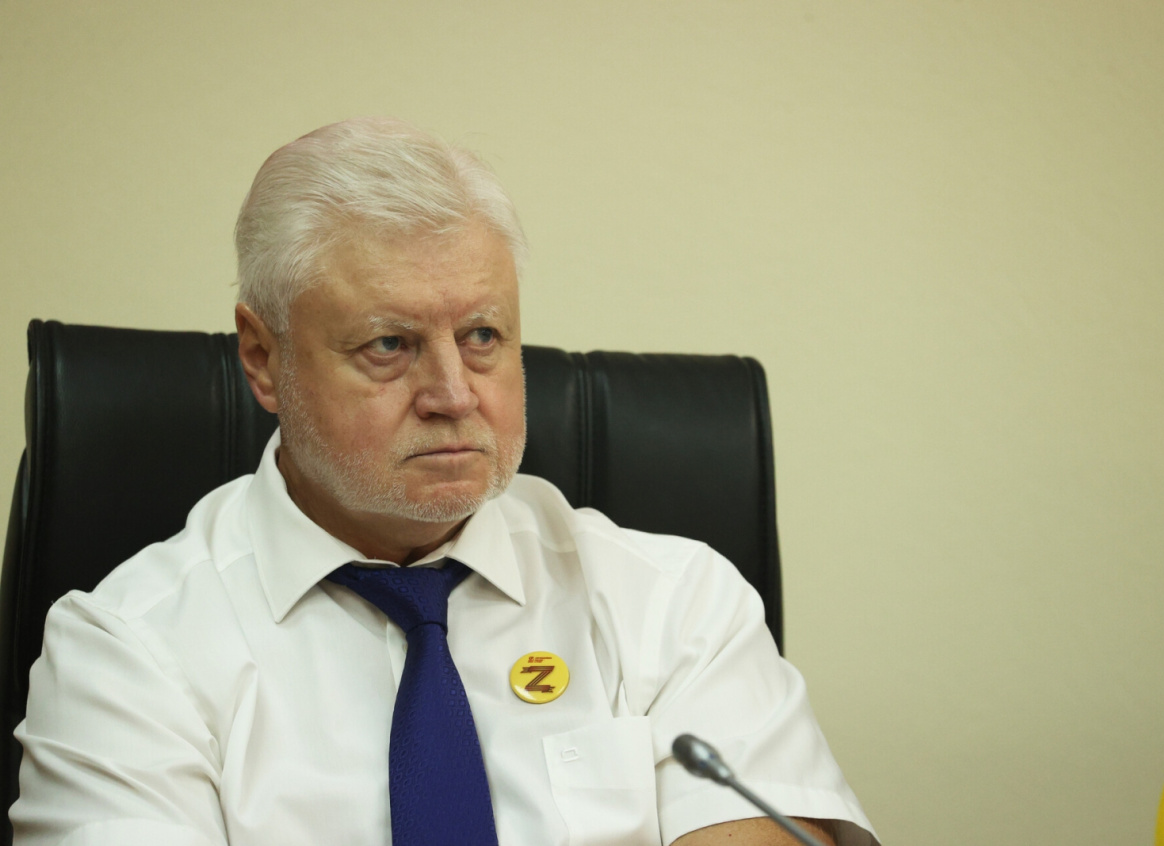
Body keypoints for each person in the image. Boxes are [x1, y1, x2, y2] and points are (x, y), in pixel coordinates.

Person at [10, 118, 880, 846]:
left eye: (482, 337)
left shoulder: (677, 605)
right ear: (263, 358)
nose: (454, 395)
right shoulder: (126, 654)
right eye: (388, 345)